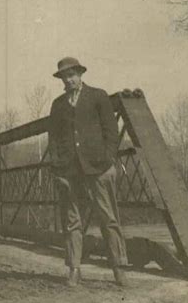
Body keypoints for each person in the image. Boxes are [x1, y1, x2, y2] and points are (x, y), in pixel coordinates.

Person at [48, 57, 128, 287]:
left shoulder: (98, 96)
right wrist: (57, 168)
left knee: (109, 218)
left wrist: (109, 159)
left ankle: (119, 267)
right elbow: (53, 138)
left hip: (98, 168)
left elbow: (111, 132)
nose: (69, 79)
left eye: (72, 75)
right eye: (65, 76)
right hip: (69, 171)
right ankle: (74, 268)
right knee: (72, 221)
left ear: (81, 74)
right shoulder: (58, 104)